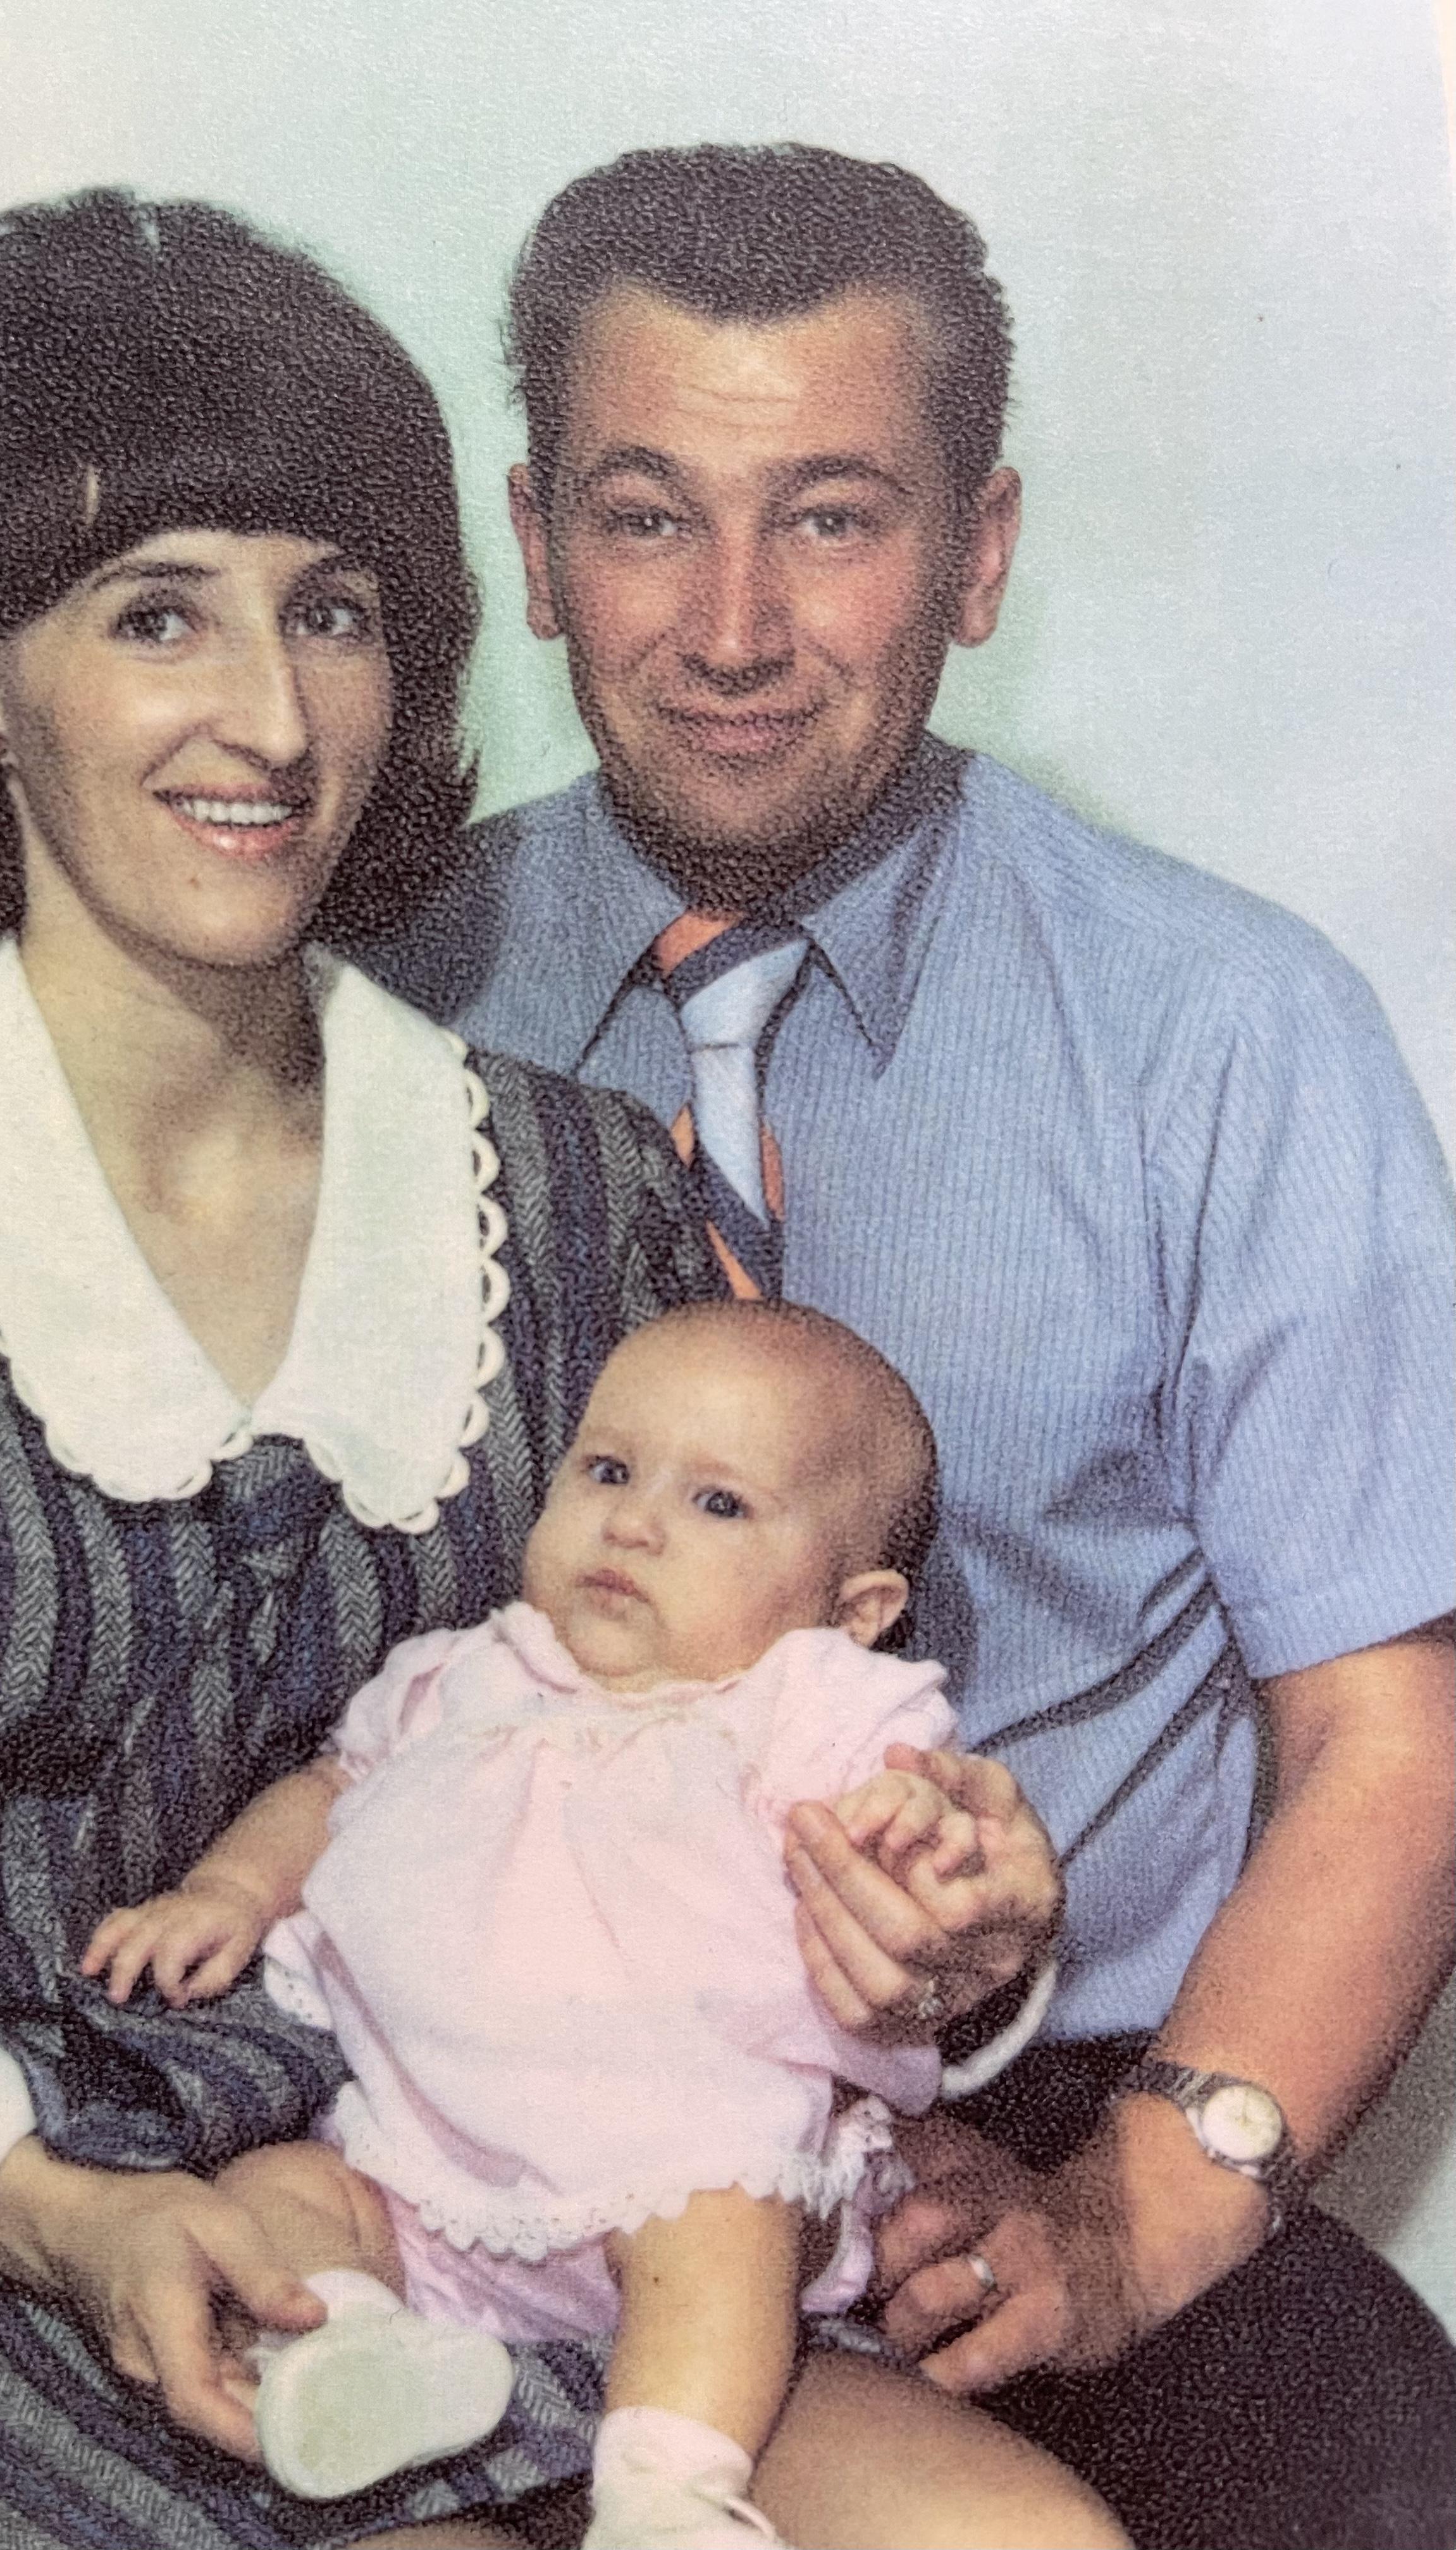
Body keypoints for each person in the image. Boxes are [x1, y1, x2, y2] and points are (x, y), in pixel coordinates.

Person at [0, 187, 1061, 2550]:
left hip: (505, 2181)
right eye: (159, 612)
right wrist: (47, 2206)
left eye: (331, 612)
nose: (270, 717)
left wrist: (951, 1943)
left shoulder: (577, 1192)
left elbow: (765, 1722)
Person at [360, 144, 1456, 2550]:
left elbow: (1386, 1742)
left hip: (1033, 2117)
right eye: (649, 519)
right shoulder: (369, 1009)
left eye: (833, 519)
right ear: (535, 544)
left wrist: (1132, 2218)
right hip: (477, 2109)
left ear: (978, 551)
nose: (734, 627)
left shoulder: (1227, 1034)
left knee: (1387, 2487)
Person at [85, 1301, 1121, 2549]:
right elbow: (332, 1787)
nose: (633, 1523)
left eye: (719, 1504)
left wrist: (916, 1829)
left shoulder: (803, 1700)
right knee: (280, 2197)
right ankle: (363, 2360)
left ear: (855, 1610)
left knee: (722, 2226)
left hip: (688, 2161)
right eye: (610, 1471)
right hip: (422, 2168)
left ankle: (668, 2497)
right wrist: (232, 1891)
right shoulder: (463, 1674)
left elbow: (911, 1813)